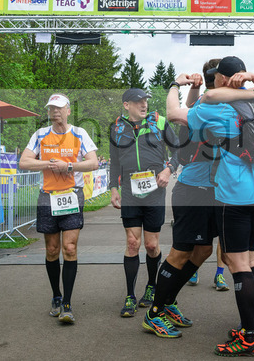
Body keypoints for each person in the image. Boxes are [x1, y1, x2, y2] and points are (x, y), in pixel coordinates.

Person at [164, 57, 254, 355]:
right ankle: (253, 326)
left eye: (217, 76)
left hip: (234, 195)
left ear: (224, 79)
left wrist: (175, 84)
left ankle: (250, 336)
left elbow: (176, 113)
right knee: (251, 262)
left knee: (238, 265)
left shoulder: (216, 109)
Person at [19, 93, 98, 324]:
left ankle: (68, 303)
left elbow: (93, 162)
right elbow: (24, 161)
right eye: (51, 109)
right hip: (48, 197)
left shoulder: (79, 133)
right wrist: (49, 164)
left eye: (59, 108)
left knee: (69, 248)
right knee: (52, 250)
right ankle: (56, 295)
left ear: (68, 110)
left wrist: (69, 166)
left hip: (72, 195)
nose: (55, 112)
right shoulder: (40, 134)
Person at [109, 88, 179, 318]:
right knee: (132, 243)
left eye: (145, 101)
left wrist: (168, 170)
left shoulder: (159, 123)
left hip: (154, 191)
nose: (144, 105)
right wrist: (113, 188)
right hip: (130, 192)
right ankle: (130, 295)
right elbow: (114, 162)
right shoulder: (117, 128)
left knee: (150, 245)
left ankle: (151, 285)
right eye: (138, 101)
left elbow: (178, 151)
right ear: (126, 105)